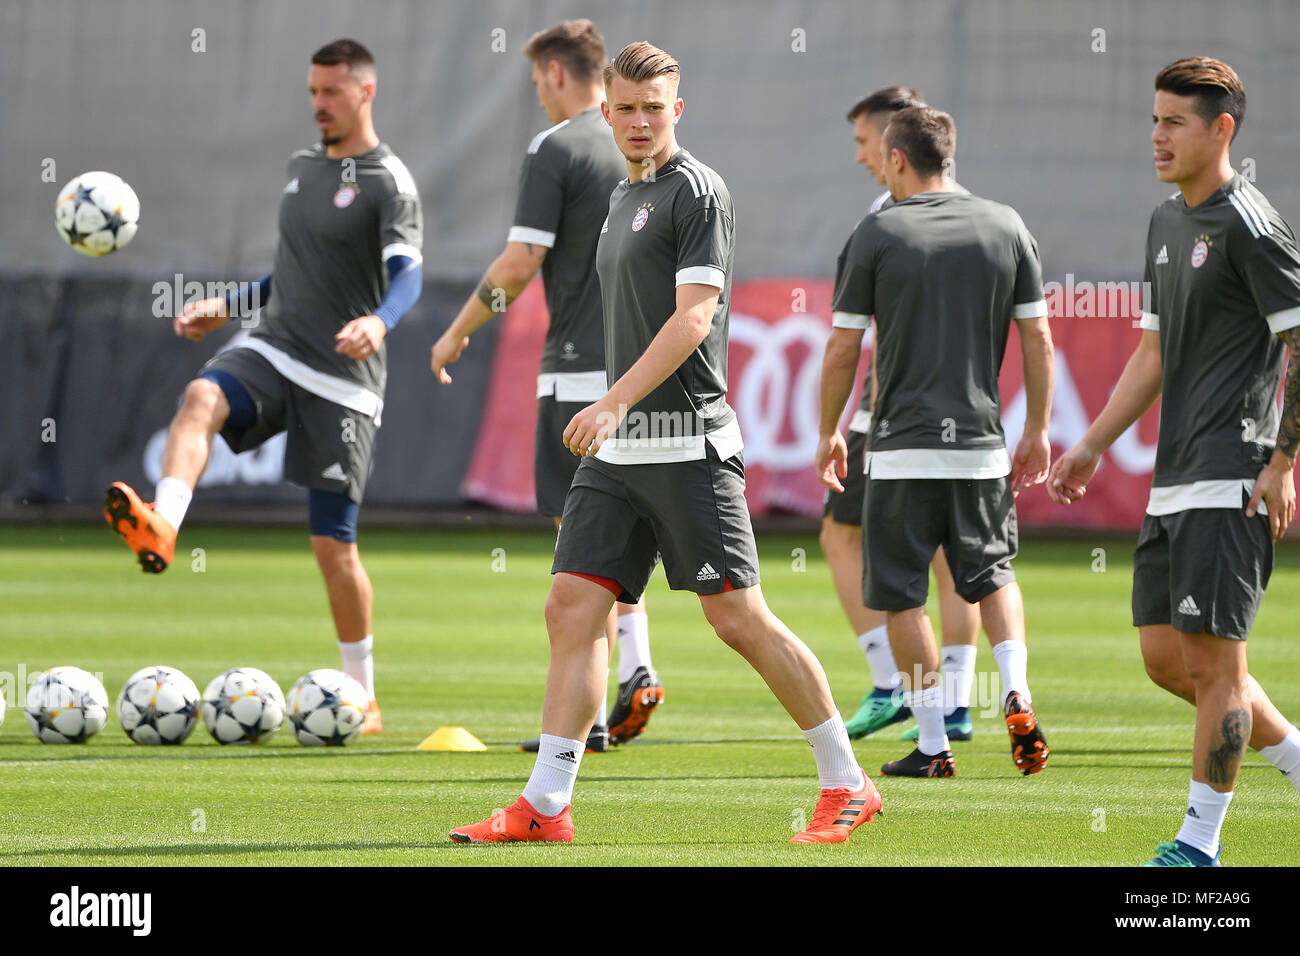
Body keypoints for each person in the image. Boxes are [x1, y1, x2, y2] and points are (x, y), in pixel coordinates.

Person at [450, 42, 878, 844]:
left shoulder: (698, 194)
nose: (641, 121)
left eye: (656, 107)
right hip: (619, 458)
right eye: (627, 108)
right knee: (572, 606)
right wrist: (613, 417)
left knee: (738, 620)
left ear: (676, 111)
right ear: (605, 111)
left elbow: (692, 320)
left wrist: (610, 402)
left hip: (686, 446)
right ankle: (546, 805)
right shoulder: (620, 195)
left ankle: (846, 781)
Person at [104, 39, 423, 736]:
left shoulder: (388, 182)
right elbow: (295, 274)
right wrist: (228, 305)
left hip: (343, 378)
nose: (318, 104)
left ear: (365, 92)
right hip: (276, 346)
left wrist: (380, 320)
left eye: (332, 92)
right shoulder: (302, 168)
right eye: (312, 91)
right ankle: (164, 522)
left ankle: (362, 695)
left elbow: (409, 274)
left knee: (332, 548)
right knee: (201, 398)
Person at [1049, 57, 1300, 866]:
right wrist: (1092, 441)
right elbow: (1153, 352)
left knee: (1218, 668)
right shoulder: (1166, 222)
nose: (1157, 136)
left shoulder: (1251, 227)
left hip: (1232, 473)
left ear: (1221, 129)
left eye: (1175, 122)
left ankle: (1199, 845)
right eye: (1154, 119)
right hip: (1173, 477)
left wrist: (1283, 458)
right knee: (1167, 659)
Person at [431, 20, 662, 752]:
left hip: (576, 378)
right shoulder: (652, 150)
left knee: (583, 547)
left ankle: (589, 717)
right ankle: (639, 667)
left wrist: (462, 327)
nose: (538, 96)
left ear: (559, 75)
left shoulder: (556, 147)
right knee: (636, 535)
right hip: (645, 380)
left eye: (537, 82)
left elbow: (520, 261)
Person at [817, 106, 1054, 779]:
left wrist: (830, 430)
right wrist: (1037, 426)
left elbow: (842, 346)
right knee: (992, 573)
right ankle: (1016, 689)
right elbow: (1038, 337)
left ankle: (932, 744)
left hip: (899, 450)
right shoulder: (1007, 226)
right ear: (949, 157)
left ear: (896, 159)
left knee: (900, 596)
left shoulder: (879, 231)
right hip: (981, 447)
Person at [822, 87, 983, 743]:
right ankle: (960, 699)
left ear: (894, 145)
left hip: (891, 414)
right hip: (969, 417)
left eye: (865, 142)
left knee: (841, 537)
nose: (861, 156)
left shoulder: (890, 214)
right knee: (954, 561)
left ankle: (892, 682)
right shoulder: (978, 213)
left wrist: (843, 421)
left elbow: (853, 335)